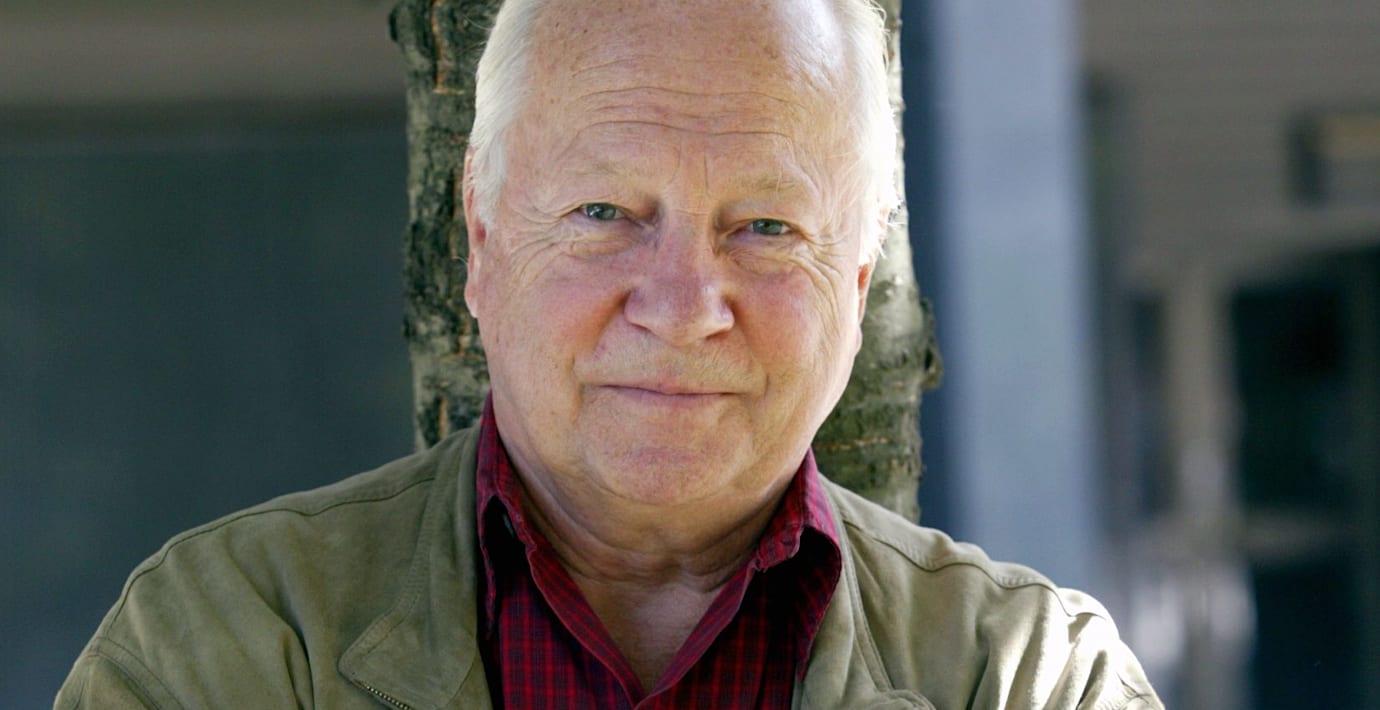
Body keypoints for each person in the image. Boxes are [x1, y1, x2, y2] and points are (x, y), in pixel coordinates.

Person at [56, 0, 1162, 707]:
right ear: (482, 242)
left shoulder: (1029, 677)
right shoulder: (234, 642)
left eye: (766, 226)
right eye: (604, 213)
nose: (683, 308)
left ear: (860, 278)